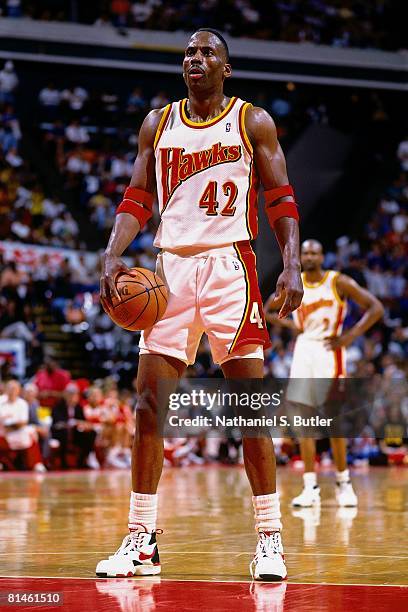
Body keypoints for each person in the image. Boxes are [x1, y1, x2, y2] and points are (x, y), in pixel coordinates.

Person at [99, 28, 303, 581]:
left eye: (207, 52)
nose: (195, 59)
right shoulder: (157, 123)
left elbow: (280, 197)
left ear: (226, 68)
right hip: (169, 271)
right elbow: (138, 198)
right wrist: (113, 254)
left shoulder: (251, 120)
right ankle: (141, 539)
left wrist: (289, 262)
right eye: (188, 52)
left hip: (229, 267)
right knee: (148, 406)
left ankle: (270, 540)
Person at [265, 239, 384, 507]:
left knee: (335, 422)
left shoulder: (337, 281)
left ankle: (344, 484)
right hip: (304, 350)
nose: (308, 256)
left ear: (322, 257)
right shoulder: (294, 284)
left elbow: (376, 307)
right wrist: (289, 327)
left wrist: (350, 336)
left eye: (313, 252)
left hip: (330, 350)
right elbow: (266, 309)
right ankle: (310, 487)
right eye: (304, 252)